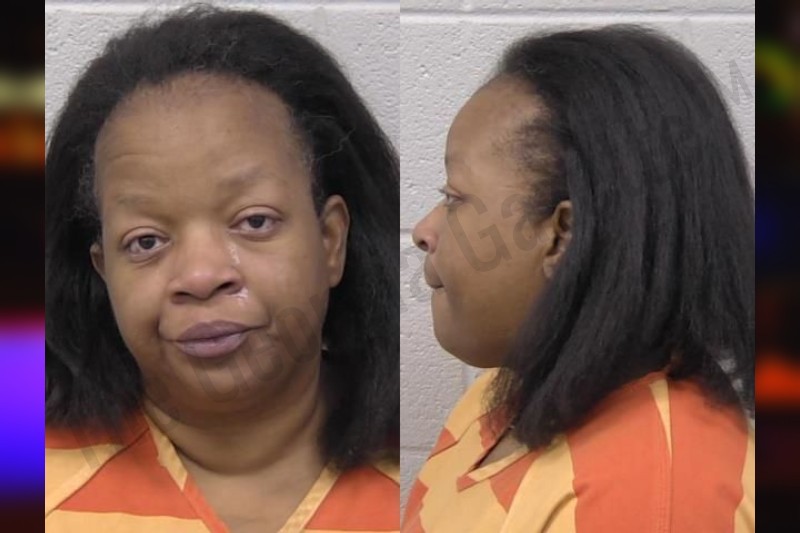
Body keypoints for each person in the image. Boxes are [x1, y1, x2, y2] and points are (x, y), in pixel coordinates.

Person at [45, 6, 399, 532]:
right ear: (103, 271)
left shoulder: (431, 484)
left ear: (330, 241)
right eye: (146, 241)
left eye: (254, 222)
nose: (202, 276)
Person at [404, 25, 754, 532]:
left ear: (563, 233)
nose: (423, 230)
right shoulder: (502, 396)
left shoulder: (655, 498)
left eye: (455, 198)